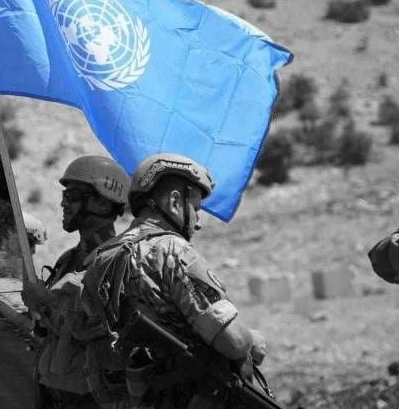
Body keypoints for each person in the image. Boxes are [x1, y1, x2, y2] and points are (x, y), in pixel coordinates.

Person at [79, 153, 268, 408]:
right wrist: (252, 340)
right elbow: (234, 343)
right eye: (196, 209)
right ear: (175, 202)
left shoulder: (100, 259)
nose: (198, 223)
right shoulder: (171, 250)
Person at [21, 156, 129, 409]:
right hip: (54, 391)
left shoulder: (116, 262)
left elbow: (96, 328)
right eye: (64, 195)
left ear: (102, 203)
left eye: (72, 196)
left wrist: (45, 302)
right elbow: (47, 331)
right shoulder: (68, 259)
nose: (63, 203)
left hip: (91, 397)